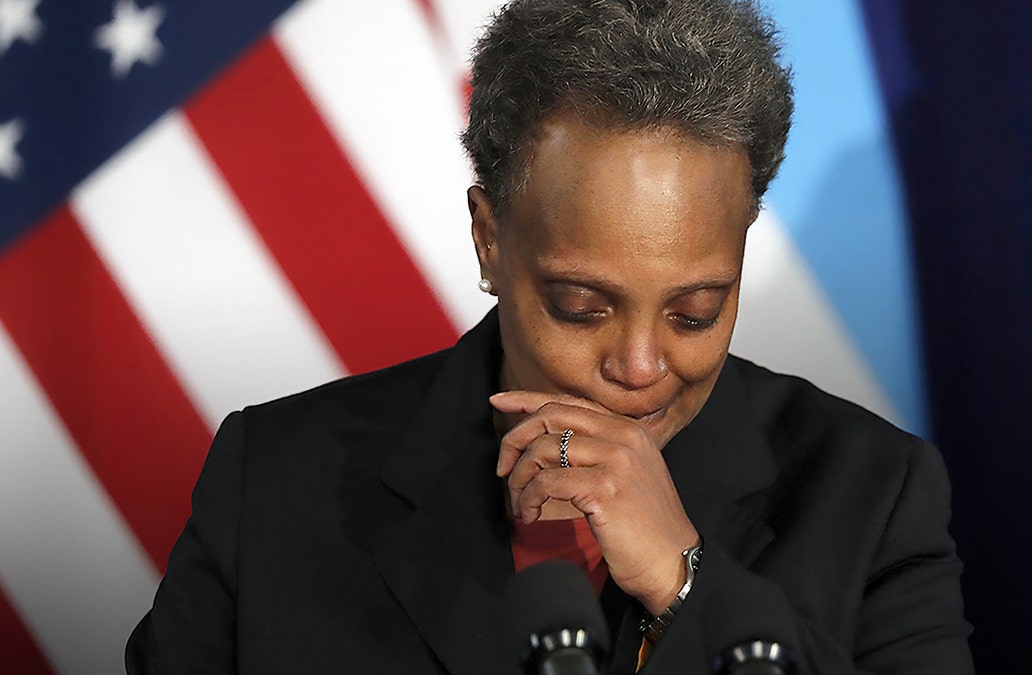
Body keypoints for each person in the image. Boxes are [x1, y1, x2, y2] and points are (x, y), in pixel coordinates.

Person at [126, 0, 973, 672]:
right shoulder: (273, 480)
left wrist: (686, 584)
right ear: (490, 240)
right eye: (580, 304)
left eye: (695, 312)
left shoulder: (871, 494)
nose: (640, 367)